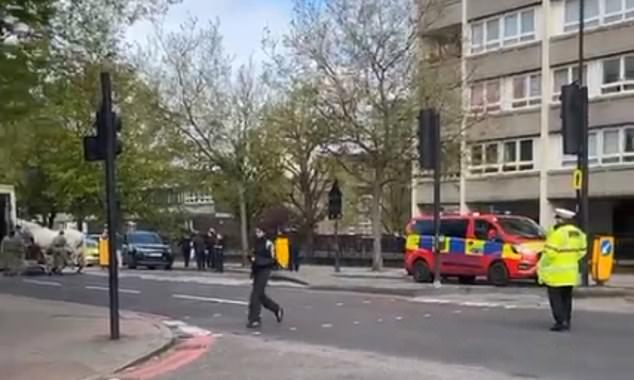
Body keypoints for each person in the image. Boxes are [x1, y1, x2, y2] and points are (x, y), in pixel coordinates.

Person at [537, 208, 587, 332]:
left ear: (561, 219)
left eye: (557, 218)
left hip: (556, 273)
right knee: (566, 298)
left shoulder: (558, 234)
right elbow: (582, 251)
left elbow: (550, 254)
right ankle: (567, 320)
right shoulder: (579, 233)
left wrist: (541, 265)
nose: (556, 221)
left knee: (556, 299)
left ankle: (560, 322)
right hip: (571, 272)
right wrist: (571, 258)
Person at [247, 228, 284, 329]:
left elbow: (273, 260)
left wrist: (259, 261)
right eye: (256, 232)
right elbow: (251, 254)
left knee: (255, 295)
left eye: (259, 232)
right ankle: (276, 309)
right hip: (256, 270)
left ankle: (254, 319)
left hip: (265, 270)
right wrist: (251, 258)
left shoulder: (268, 243)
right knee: (261, 295)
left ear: (264, 232)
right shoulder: (255, 243)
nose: (257, 234)